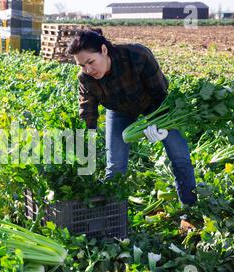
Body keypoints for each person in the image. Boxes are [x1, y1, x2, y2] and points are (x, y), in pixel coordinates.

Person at [67, 29, 197, 206]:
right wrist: (83, 153)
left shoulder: (137, 55)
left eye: (90, 62)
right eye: (82, 65)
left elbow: (160, 95)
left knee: (179, 155)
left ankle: (189, 208)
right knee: (115, 166)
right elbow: (87, 115)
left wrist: (161, 125)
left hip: (153, 104)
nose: (88, 69)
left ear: (104, 50)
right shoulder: (86, 79)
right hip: (119, 110)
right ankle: (111, 212)